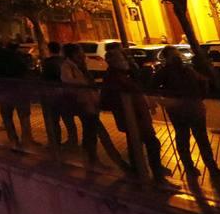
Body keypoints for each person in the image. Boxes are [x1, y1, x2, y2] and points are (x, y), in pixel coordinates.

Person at [152, 46, 220, 180]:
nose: (177, 57)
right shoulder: (165, 72)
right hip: (179, 111)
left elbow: (203, 81)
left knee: (201, 139)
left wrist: (201, 96)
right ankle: (190, 167)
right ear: (167, 58)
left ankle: (211, 167)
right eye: (174, 55)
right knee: (184, 138)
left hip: (193, 108)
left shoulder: (187, 70)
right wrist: (164, 101)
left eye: (177, 54)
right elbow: (152, 89)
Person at [102, 47, 170, 178]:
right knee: (151, 143)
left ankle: (140, 170)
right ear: (115, 61)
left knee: (137, 144)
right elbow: (133, 89)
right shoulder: (116, 77)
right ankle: (153, 172)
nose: (125, 61)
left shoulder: (122, 74)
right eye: (122, 59)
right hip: (133, 117)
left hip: (135, 116)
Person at [61, 43, 129, 171]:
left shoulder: (80, 65)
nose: (82, 54)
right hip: (83, 103)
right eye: (80, 51)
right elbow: (67, 80)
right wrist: (84, 83)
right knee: (96, 133)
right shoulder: (68, 66)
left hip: (90, 102)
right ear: (74, 54)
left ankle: (95, 162)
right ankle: (116, 163)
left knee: (91, 133)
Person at [0, 39, 33, 150]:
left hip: (2, 89)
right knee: (24, 115)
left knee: (7, 116)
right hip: (18, 88)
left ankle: (13, 141)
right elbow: (24, 69)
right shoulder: (14, 56)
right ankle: (26, 140)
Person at [40, 41, 78, 148]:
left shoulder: (48, 63)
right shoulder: (64, 61)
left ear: (49, 50)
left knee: (54, 119)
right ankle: (73, 140)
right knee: (68, 118)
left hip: (53, 94)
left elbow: (44, 78)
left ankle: (56, 142)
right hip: (66, 93)